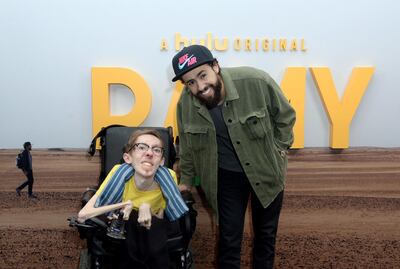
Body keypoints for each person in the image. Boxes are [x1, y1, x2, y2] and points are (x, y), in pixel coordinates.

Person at [171, 45, 296, 269]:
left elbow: (286, 115)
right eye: (190, 82)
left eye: (202, 75)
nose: (200, 87)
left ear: (215, 66)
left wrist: (278, 149)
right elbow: (188, 147)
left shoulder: (255, 81)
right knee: (229, 241)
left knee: (265, 237)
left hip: (265, 169)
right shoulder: (186, 104)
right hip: (226, 177)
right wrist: (186, 182)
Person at [77, 129, 188, 269]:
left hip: (155, 230)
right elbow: (83, 215)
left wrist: (144, 207)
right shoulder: (118, 173)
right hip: (124, 226)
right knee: (131, 221)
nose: (149, 153)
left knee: (152, 225)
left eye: (156, 150)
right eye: (141, 147)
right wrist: (127, 204)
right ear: (128, 158)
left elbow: (163, 213)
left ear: (161, 161)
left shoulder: (169, 177)